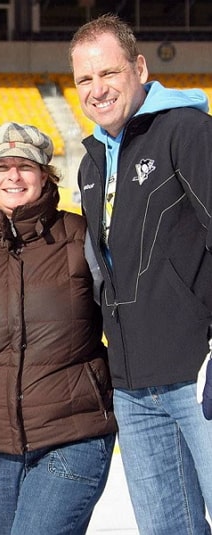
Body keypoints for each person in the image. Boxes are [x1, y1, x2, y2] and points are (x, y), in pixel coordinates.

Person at [0, 121, 117, 535]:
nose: (13, 176)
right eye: (0, 167)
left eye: (25, 165)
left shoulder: (79, 235)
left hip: (72, 435)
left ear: (45, 174)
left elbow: (122, 317)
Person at [69, 13, 212, 533]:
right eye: (85, 79)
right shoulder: (91, 163)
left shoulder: (187, 131)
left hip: (197, 378)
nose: (97, 89)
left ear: (140, 67)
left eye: (109, 73)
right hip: (134, 387)